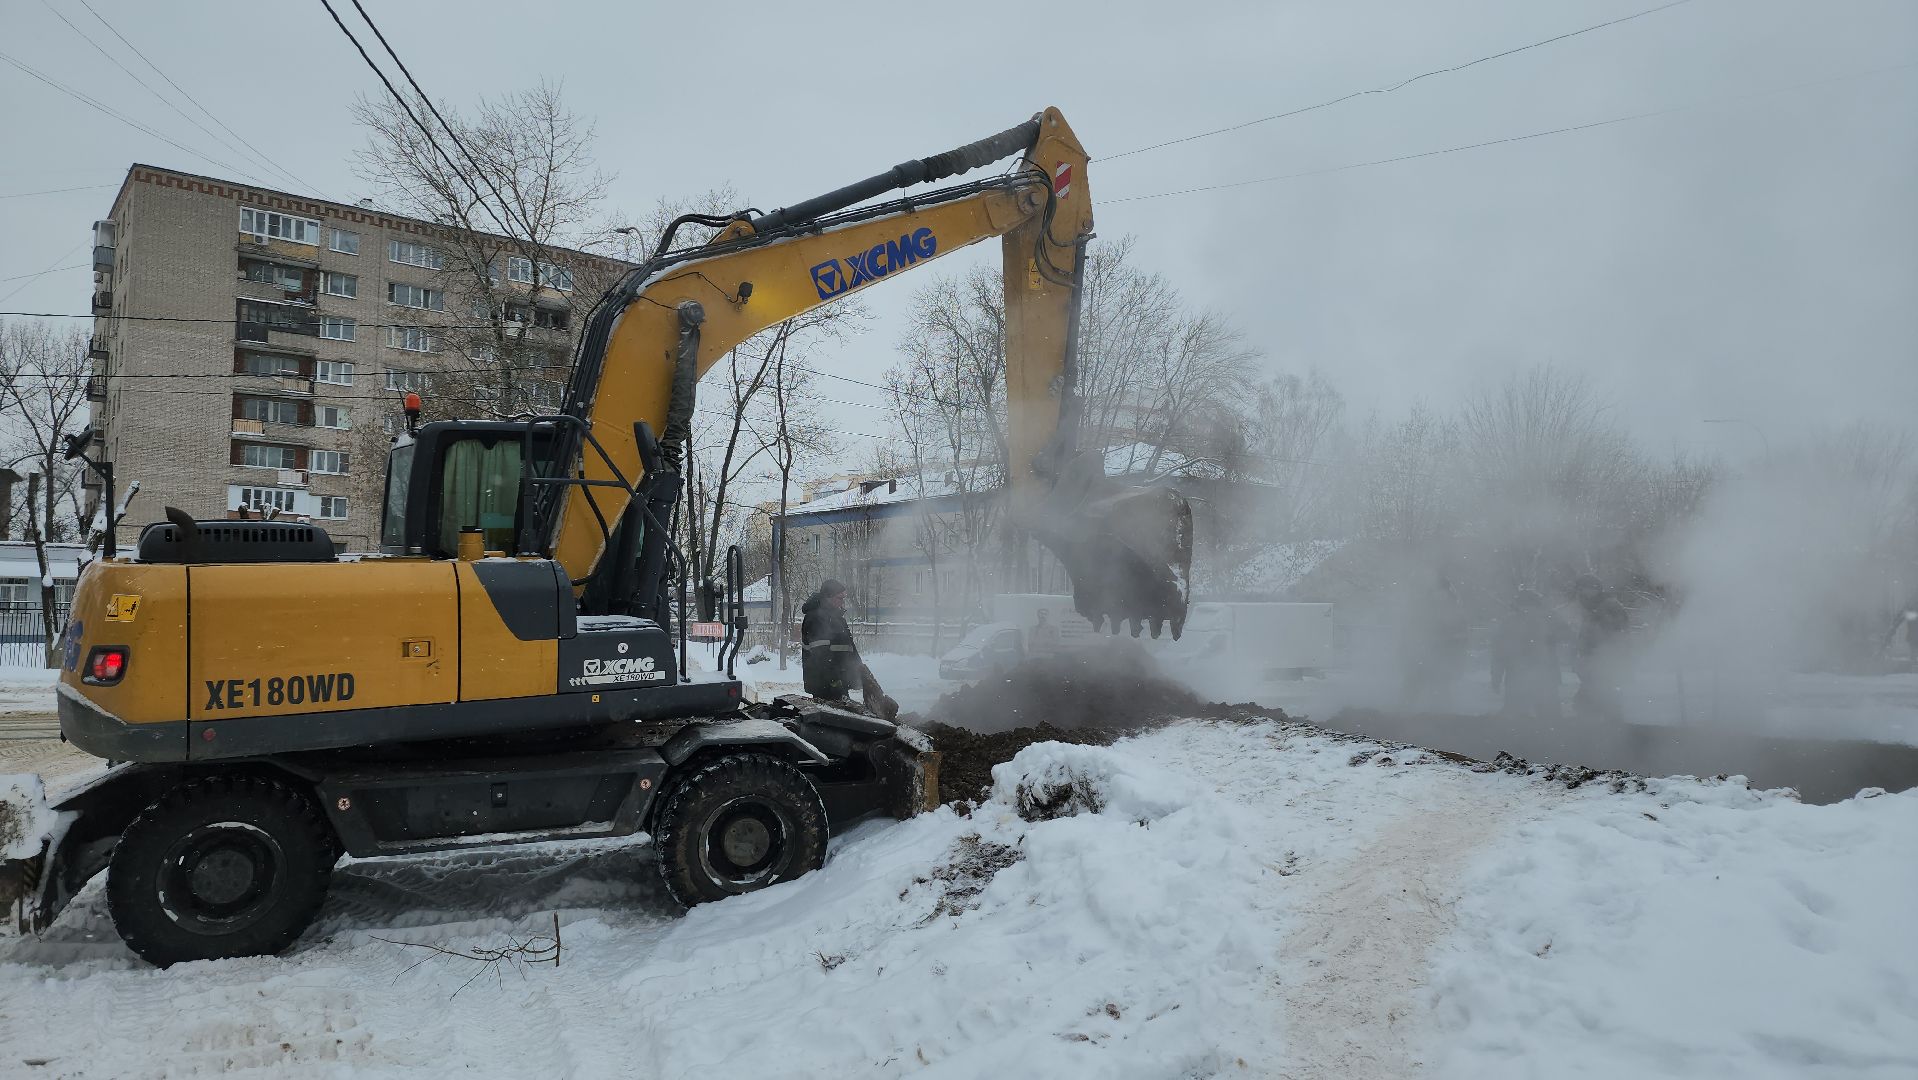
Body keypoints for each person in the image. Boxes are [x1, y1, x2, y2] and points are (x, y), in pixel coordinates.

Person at [800, 579, 899, 718]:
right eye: (839, 598)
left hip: (838, 682)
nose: (842, 601)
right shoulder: (816, 618)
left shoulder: (836, 617)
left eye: (843, 598)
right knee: (833, 723)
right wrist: (834, 682)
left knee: (843, 721)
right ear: (828, 597)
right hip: (824, 685)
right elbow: (821, 657)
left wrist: (861, 672)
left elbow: (848, 648)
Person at [1491, 587, 1566, 722]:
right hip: (1516, 673)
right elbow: (1499, 652)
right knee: (1514, 716)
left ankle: (1551, 738)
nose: (1527, 609)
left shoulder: (1549, 619)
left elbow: (1568, 635)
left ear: (1537, 606)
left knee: (1549, 716)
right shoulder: (1509, 623)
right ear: (1517, 606)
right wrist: (1496, 677)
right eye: (1523, 605)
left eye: (1530, 605)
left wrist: (1553, 637)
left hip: (1545, 674)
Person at [1573, 574, 1630, 719]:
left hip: (1605, 656)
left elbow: (1621, 632)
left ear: (1595, 589)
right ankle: (1593, 728)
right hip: (1590, 657)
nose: (1581, 592)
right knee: (1589, 696)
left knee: (1603, 693)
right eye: (1580, 589)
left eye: (1584, 589)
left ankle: (1612, 729)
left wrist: (1608, 652)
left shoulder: (1609, 605)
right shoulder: (1589, 607)